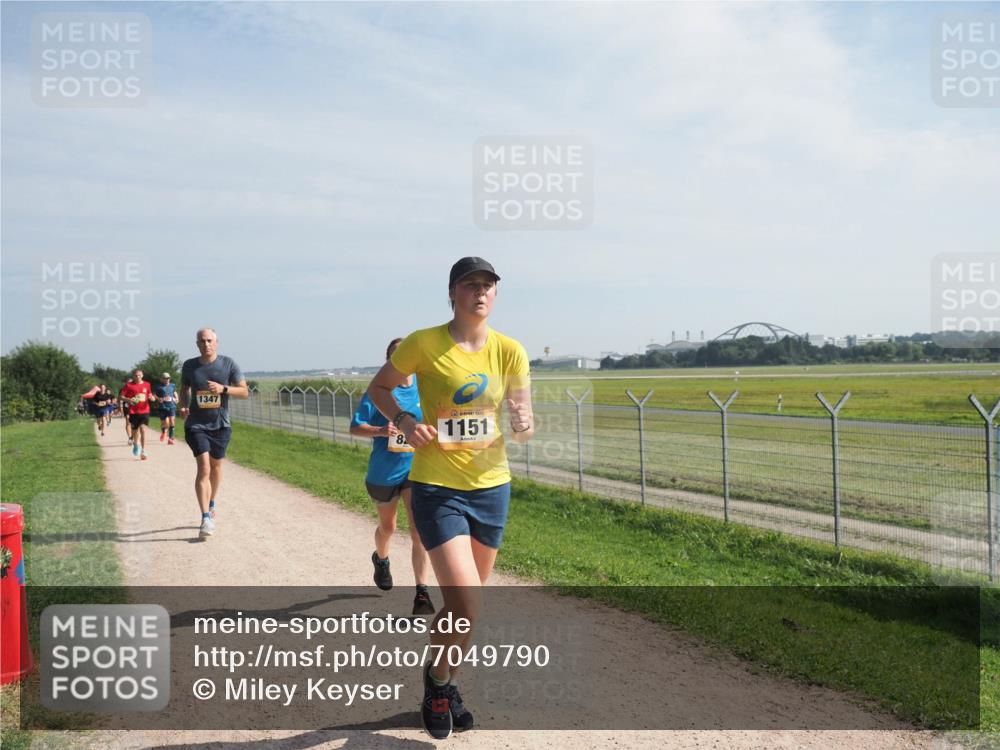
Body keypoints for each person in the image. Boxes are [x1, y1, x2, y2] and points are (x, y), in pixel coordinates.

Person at [367, 257, 533, 739]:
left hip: (492, 489)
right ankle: (438, 684)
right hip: (438, 489)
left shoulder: (511, 351)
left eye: (488, 286)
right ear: (453, 294)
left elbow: (523, 421)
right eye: (470, 285)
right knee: (464, 603)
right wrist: (400, 420)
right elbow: (379, 388)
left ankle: (446, 680)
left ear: (495, 295)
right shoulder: (424, 342)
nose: (480, 292)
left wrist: (524, 425)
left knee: (469, 609)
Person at [350, 338, 435, 617]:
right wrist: (379, 431)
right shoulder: (379, 392)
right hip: (384, 472)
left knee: (418, 531)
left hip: (416, 469)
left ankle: (421, 592)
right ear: (390, 363)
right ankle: (381, 559)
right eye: (397, 358)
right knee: (388, 527)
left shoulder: (425, 389)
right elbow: (355, 427)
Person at [178, 327, 249, 540]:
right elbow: (184, 389)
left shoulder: (228, 364)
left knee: (217, 467)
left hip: (220, 425)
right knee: (204, 467)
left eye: (209, 340)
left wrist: (223, 389)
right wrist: (183, 406)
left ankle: (212, 501)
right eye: (201, 341)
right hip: (196, 425)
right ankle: (205, 517)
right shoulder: (189, 366)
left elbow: (244, 391)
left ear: (216, 342)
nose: (205, 344)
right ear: (197, 344)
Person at [120, 370, 154, 460]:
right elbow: (121, 396)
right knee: (135, 431)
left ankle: (143, 450)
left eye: (139, 375)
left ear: (142, 375)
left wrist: (151, 397)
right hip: (133, 412)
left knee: (143, 429)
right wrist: (129, 400)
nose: (137, 377)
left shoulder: (147, 384)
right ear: (133, 376)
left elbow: (149, 393)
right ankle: (135, 444)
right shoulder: (128, 385)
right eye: (136, 375)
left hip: (145, 410)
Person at [154, 372, 178, 445]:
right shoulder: (159, 387)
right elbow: (155, 395)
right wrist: (158, 399)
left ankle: (170, 438)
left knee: (172, 421)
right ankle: (163, 432)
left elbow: (174, 392)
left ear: (169, 378)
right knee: (163, 423)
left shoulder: (172, 385)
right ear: (162, 379)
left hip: (172, 406)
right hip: (163, 407)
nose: (166, 380)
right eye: (165, 378)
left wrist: (177, 398)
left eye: (168, 378)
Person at [119, 379, 134, 446]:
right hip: (126, 406)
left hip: (134, 406)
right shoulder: (123, 389)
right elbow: (120, 399)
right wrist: (120, 407)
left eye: (131, 382)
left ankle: (134, 436)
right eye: (128, 382)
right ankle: (130, 438)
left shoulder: (135, 387)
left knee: (134, 423)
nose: (130, 383)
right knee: (128, 421)